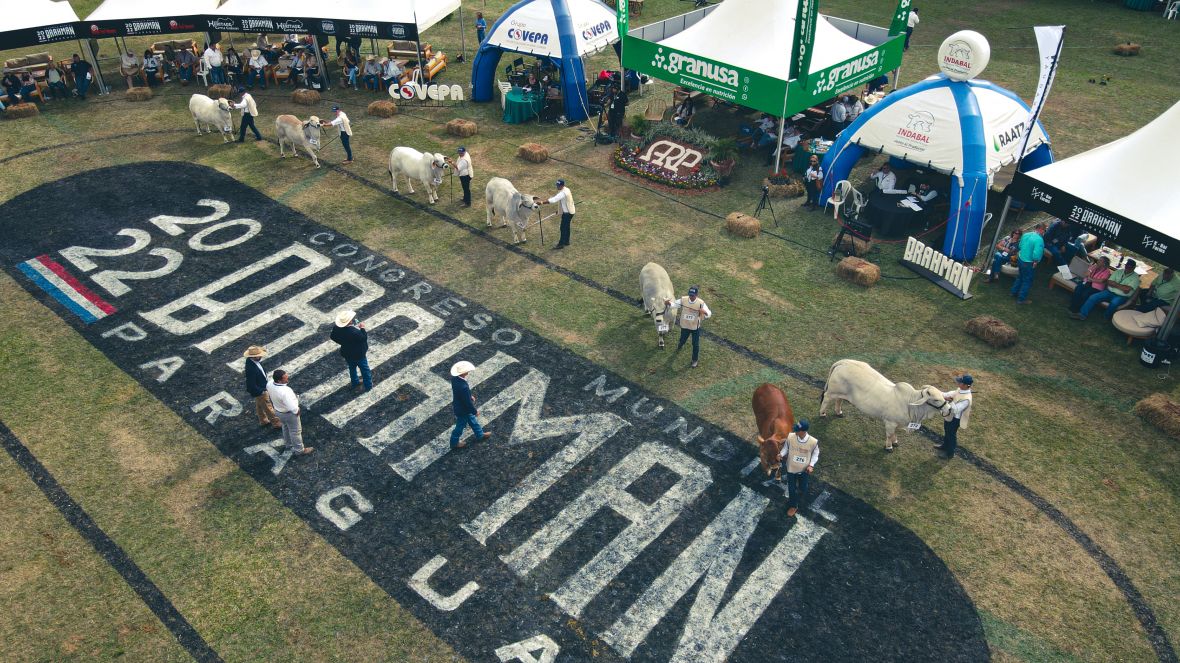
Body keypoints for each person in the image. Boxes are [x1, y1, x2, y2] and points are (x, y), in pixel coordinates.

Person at [1072, 259, 1139, 321]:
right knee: (1093, 297)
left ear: (1134, 268)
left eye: (1130, 267)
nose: (1127, 268)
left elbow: (1127, 289)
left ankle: (1106, 318)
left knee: (1114, 303)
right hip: (1109, 292)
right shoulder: (1119, 271)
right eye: (1127, 266)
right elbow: (1109, 282)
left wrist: (1115, 284)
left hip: (1121, 296)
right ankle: (1082, 314)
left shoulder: (1135, 278)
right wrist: (1121, 286)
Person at [267, 369, 314, 456]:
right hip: (288, 413)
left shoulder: (270, 384)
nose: (287, 379)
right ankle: (299, 450)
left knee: (285, 427)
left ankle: (288, 444)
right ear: (279, 380)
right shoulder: (285, 391)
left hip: (278, 411)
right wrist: (297, 410)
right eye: (285, 378)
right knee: (295, 432)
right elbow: (292, 406)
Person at [779, 420, 819, 517]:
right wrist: (781, 454)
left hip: (804, 470)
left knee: (803, 488)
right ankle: (793, 505)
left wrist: (811, 465)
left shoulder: (813, 442)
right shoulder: (790, 437)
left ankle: (798, 497)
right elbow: (786, 448)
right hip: (791, 469)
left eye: (797, 430)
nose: (795, 431)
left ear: (803, 431)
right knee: (791, 489)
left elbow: (815, 454)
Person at [665, 285, 712, 368]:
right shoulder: (684, 299)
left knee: (695, 344)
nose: (691, 297)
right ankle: (680, 344)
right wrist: (668, 303)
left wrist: (704, 312)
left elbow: (709, 313)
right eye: (690, 295)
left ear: (696, 295)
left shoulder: (701, 303)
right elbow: (675, 304)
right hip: (685, 326)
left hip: (695, 328)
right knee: (682, 339)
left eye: (693, 295)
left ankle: (694, 360)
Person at [449, 360, 491, 449]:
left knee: (473, 422)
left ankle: (480, 434)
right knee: (459, 427)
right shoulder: (463, 386)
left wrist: (468, 395)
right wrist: (474, 411)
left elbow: (461, 394)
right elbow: (467, 403)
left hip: (459, 406)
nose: (468, 371)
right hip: (463, 410)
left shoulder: (454, 379)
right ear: (463, 373)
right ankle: (454, 442)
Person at [330, 309, 372, 392]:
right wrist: (362, 328)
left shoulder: (336, 328)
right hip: (359, 355)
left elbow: (332, 337)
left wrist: (342, 342)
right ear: (349, 322)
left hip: (347, 353)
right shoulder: (355, 332)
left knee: (352, 368)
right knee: (365, 370)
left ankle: (355, 382)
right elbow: (363, 338)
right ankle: (368, 386)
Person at [934, 374, 972, 459]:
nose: (958, 383)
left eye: (960, 382)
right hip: (950, 416)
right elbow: (949, 394)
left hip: (955, 419)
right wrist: (937, 393)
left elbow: (956, 410)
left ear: (966, 385)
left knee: (951, 435)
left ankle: (950, 454)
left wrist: (950, 401)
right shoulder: (960, 390)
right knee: (947, 432)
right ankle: (944, 446)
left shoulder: (966, 399)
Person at [243, 346, 281, 429]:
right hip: (260, 390)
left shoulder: (250, 361)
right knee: (268, 407)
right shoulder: (251, 368)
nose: (261, 356)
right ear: (253, 356)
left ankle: (263, 420)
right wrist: (261, 391)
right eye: (259, 355)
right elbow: (251, 384)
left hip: (260, 388)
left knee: (260, 405)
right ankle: (277, 423)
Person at [1010, 222, 1045, 304]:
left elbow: (1020, 245)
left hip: (1021, 259)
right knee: (1027, 280)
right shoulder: (1039, 240)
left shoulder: (1026, 234)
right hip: (1029, 262)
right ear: (1040, 229)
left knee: (1020, 277)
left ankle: (1013, 292)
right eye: (1044, 230)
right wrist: (1036, 261)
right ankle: (1021, 299)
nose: (1044, 232)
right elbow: (1037, 253)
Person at [544, 179, 575, 249]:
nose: (557, 186)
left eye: (558, 185)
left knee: (563, 228)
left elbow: (554, 199)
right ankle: (566, 241)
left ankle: (561, 244)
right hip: (568, 211)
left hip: (568, 213)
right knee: (566, 227)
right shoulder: (566, 189)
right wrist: (560, 210)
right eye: (557, 185)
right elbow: (563, 202)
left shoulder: (563, 193)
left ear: (562, 185)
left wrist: (542, 202)